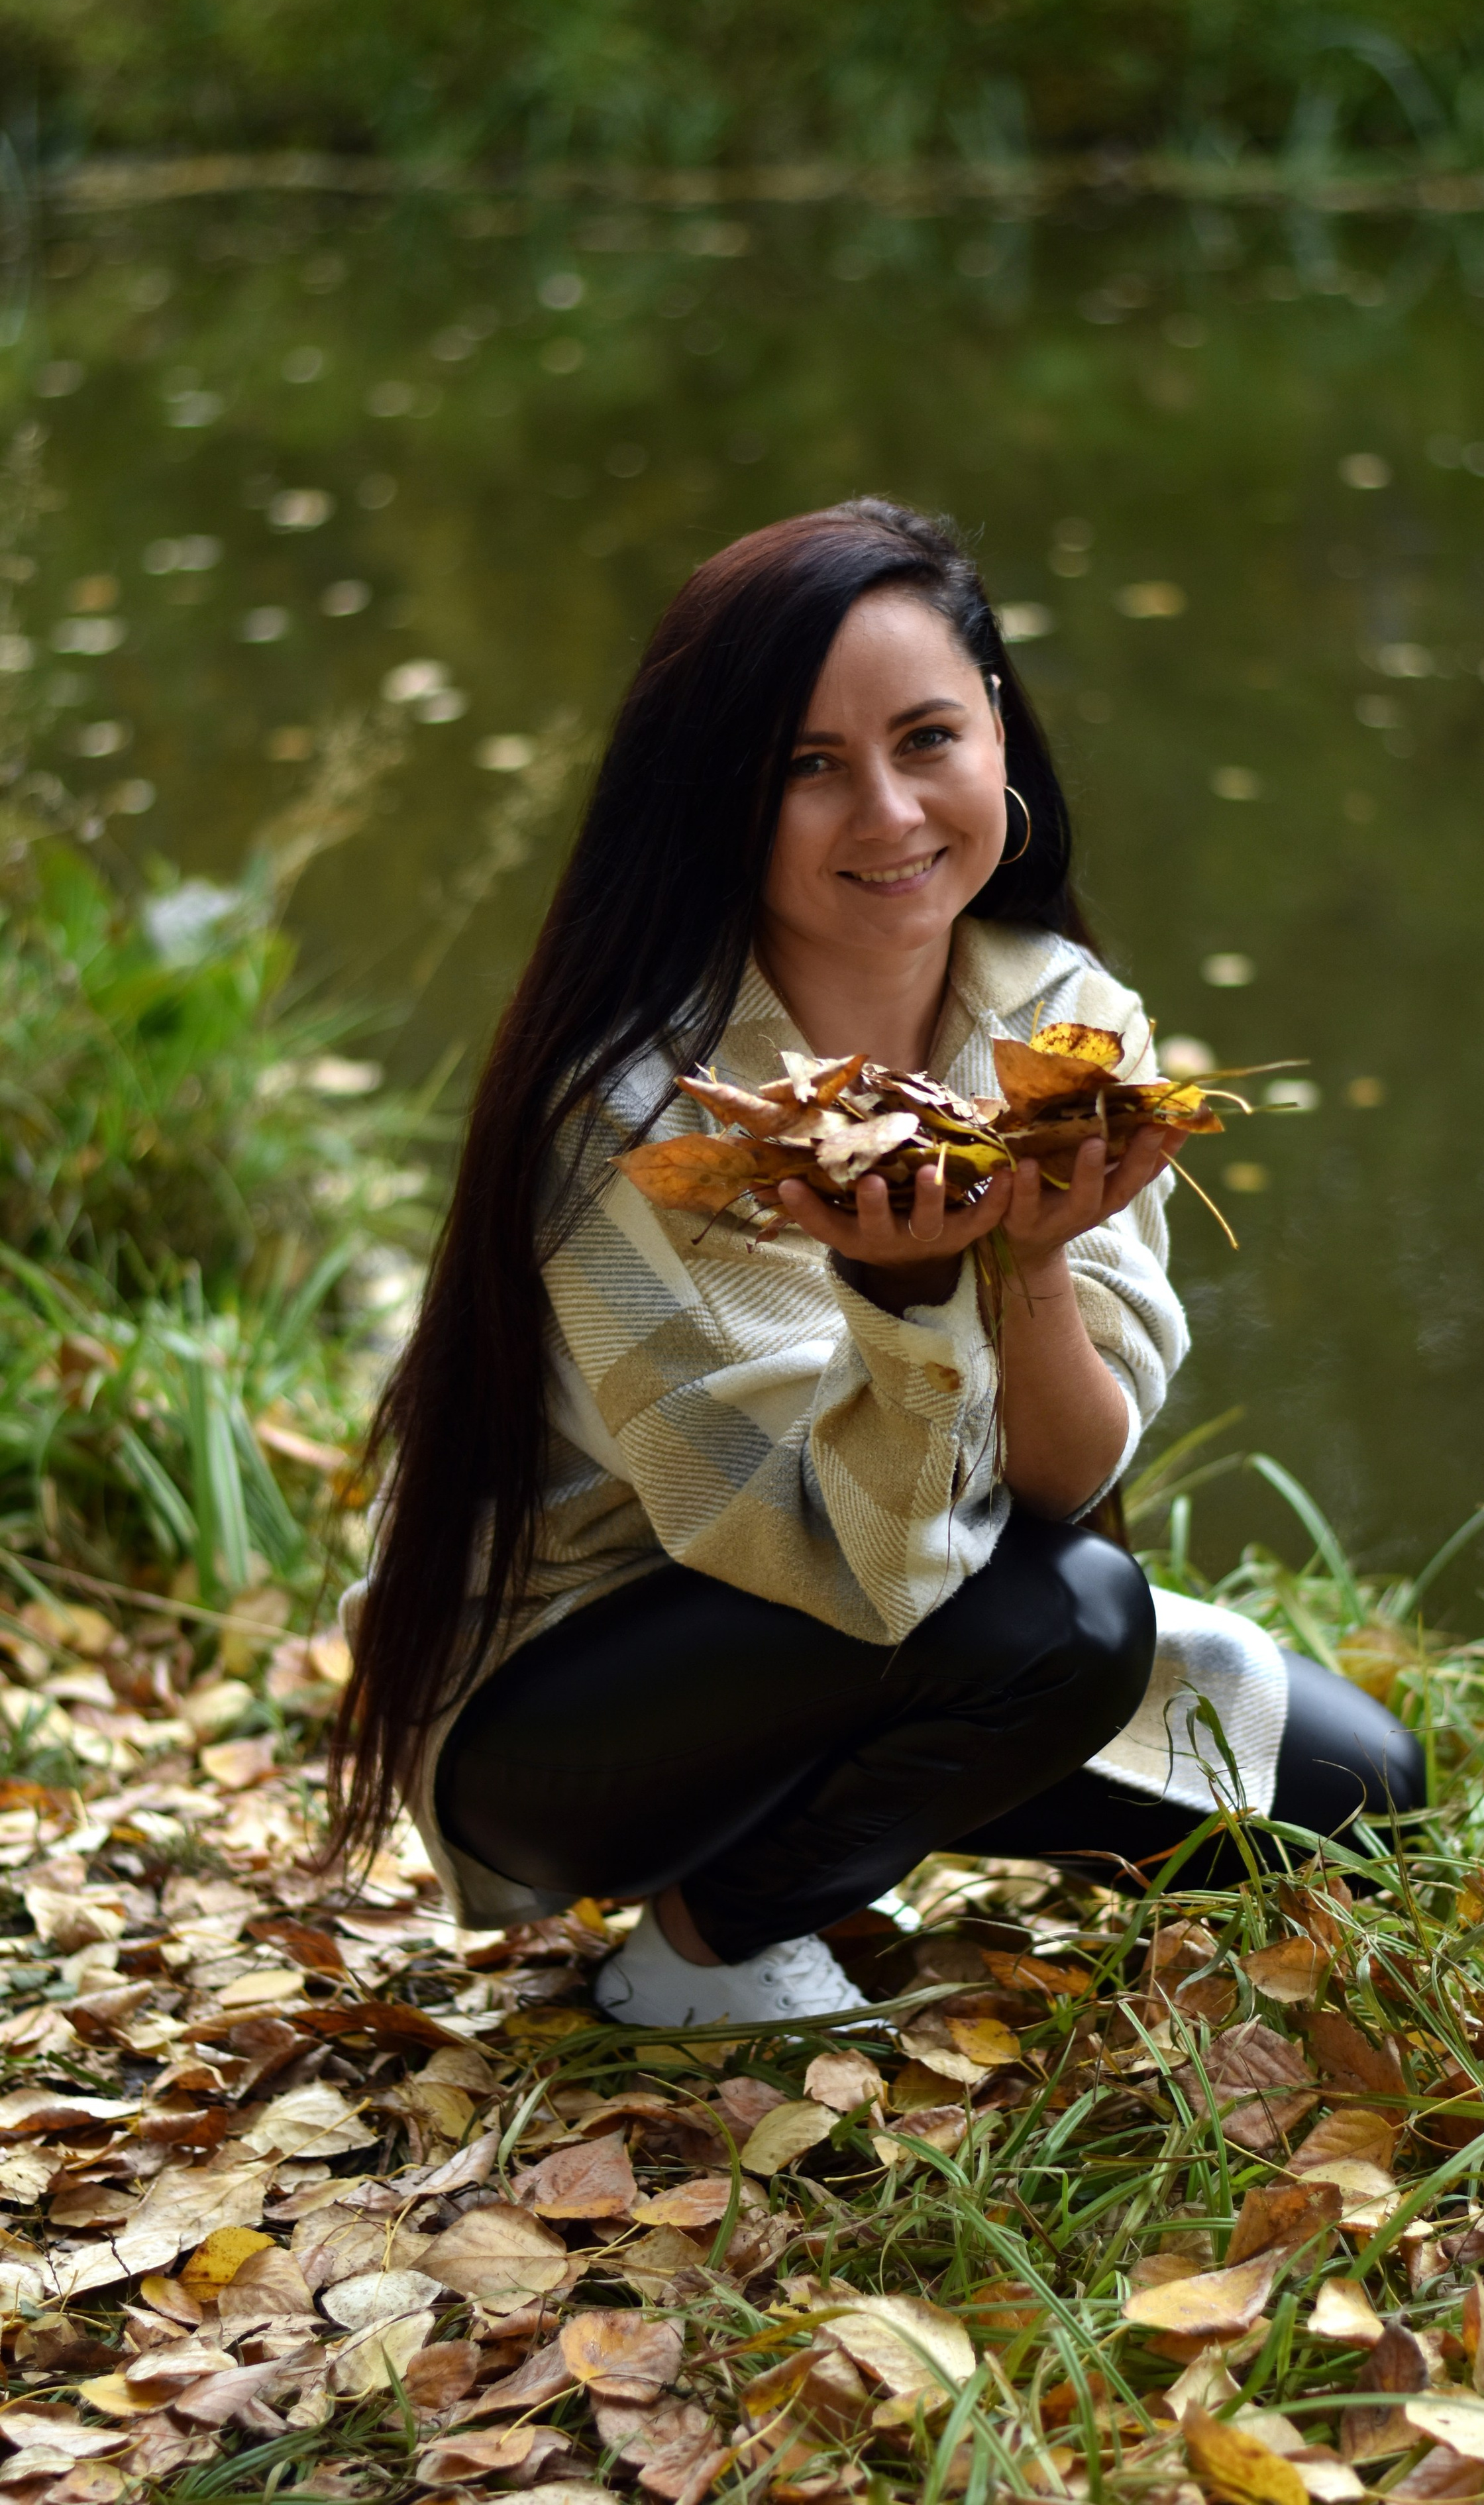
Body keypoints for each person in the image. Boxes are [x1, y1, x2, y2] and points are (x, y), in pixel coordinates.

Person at [333, 499, 1422, 2026]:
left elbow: (1059, 1487)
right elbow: (824, 1564)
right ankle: (699, 1947)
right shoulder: (639, 1107)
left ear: (998, 738)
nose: (889, 814)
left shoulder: (1063, 1020)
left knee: (1355, 1786)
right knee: (1066, 1624)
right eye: (807, 766)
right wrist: (903, 1296)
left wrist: (1027, 1267)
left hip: (925, 1603)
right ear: (719, 798)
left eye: (926, 740)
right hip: (567, 1715)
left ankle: (856, 1821)